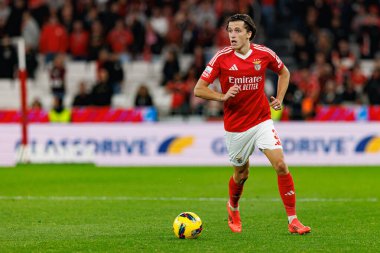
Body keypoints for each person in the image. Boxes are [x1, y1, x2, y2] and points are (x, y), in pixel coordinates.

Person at [194, 14, 311, 235]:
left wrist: (280, 98)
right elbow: (198, 89)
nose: (232, 35)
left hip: (261, 120)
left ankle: (293, 220)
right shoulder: (221, 58)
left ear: (249, 33)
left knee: (280, 165)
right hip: (236, 127)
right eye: (230, 31)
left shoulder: (264, 54)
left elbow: (284, 72)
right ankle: (233, 206)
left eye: (238, 30)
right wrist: (222, 96)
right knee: (241, 174)